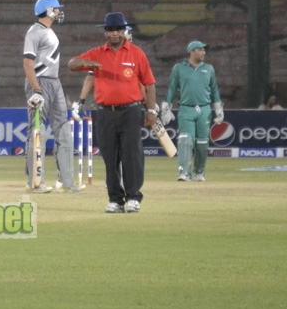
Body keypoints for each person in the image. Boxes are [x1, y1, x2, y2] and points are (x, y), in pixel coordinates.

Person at [68, 12, 158, 213]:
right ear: (105, 33)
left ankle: (134, 197)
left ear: (125, 31)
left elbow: (149, 84)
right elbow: (71, 64)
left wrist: (151, 110)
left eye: (118, 29)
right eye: (110, 30)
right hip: (105, 113)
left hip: (131, 112)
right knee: (110, 156)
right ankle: (115, 200)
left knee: (131, 155)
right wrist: (86, 63)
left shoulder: (136, 53)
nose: (114, 33)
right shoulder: (97, 53)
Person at [23, 0, 81, 194]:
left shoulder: (49, 31)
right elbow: (27, 64)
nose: (58, 12)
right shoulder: (34, 31)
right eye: (56, 9)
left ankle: (68, 181)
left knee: (63, 129)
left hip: (55, 83)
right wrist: (36, 89)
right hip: (40, 82)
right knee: (36, 130)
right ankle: (35, 181)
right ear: (47, 10)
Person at [160, 41, 222, 183]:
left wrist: (218, 109)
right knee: (185, 141)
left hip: (204, 109)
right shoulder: (179, 68)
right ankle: (184, 172)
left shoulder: (209, 69)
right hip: (186, 108)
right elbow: (172, 88)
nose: (204, 53)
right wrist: (166, 108)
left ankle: (199, 172)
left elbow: (214, 89)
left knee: (202, 143)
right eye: (200, 50)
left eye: (204, 50)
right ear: (192, 51)